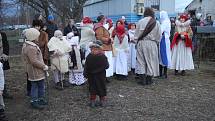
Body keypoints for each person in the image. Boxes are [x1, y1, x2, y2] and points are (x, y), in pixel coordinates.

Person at [22, 28, 48, 109]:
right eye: (37, 36)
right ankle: (34, 101)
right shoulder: (31, 48)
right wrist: (43, 66)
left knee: (41, 85)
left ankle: (40, 99)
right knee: (35, 86)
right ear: (33, 37)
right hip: (35, 71)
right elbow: (34, 61)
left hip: (37, 71)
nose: (38, 38)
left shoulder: (31, 45)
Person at [135, 7, 161, 85]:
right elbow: (159, 35)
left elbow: (136, 35)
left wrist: (136, 42)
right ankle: (149, 80)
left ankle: (142, 80)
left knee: (141, 61)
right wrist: (156, 42)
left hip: (141, 42)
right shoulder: (156, 23)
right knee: (151, 61)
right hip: (152, 43)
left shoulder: (140, 22)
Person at [84, 40, 109, 108]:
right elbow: (86, 66)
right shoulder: (89, 57)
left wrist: (95, 71)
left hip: (100, 77)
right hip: (92, 77)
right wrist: (85, 73)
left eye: (95, 49)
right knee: (93, 89)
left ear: (99, 49)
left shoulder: (102, 57)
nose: (93, 51)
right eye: (92, 49)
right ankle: (93, 101)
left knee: (100, 88)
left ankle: (102, 101)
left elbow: (106, 66)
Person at [159, 11, 171, 79]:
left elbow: (160, 30)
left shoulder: (165, 22)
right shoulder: (167, 21)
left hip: (164, 40)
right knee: (163, 55)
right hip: (165, 40)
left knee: (163, 55)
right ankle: (162, 73)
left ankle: (163, 74)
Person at [0, 31, 12, 99]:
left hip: (2, 59)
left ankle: (4, 92)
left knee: (2, 76)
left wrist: (5, 55)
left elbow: (6, 45)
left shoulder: (2, 34)